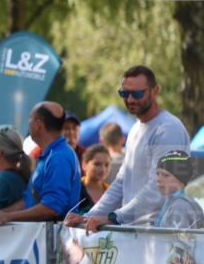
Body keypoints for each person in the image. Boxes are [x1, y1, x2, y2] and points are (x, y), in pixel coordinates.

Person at [66, 65, 190, 232]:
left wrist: (115, 217)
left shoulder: (169, 129)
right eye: (124, 93)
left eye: (137, 94)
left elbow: (161, 188)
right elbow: (121, 181)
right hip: (136, 234)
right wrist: (89, 216)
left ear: (155, 91)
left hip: (161, 235)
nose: (130, 99)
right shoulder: (136, 129)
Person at [0, 101, 80, 226]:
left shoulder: (59, 157)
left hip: (53, 237)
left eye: (30, 118)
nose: (28, 122)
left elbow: (51, 208)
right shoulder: (50, 154)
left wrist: (6, 216)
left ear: (38, 125)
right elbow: (28, 201)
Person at [153, 150, 203, 229]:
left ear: (181, 179)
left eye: (166, 175)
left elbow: (176, 237)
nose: (158, 179)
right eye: (157, 174)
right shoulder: (174, 201)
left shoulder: (179, 206)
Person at [79, 144, 111, 211]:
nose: (103, 169)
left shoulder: (112, 192)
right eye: (97, 164)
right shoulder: (75, 189)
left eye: (106, 165)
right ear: (84, 165)